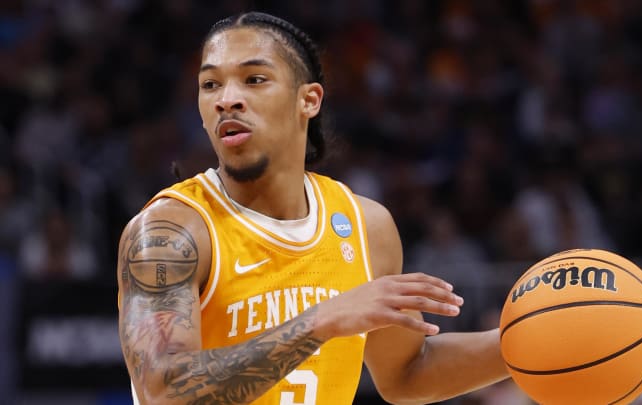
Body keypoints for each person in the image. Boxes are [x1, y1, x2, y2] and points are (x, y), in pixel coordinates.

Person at [117, 11, 508, 405]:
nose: (226, 99)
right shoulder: (171, 232)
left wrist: (525, 342)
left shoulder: (365, 227)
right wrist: (320, 321)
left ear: (309, 100)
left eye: (254, 79)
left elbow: (407, 373)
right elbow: (163, 391)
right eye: (210, 84)